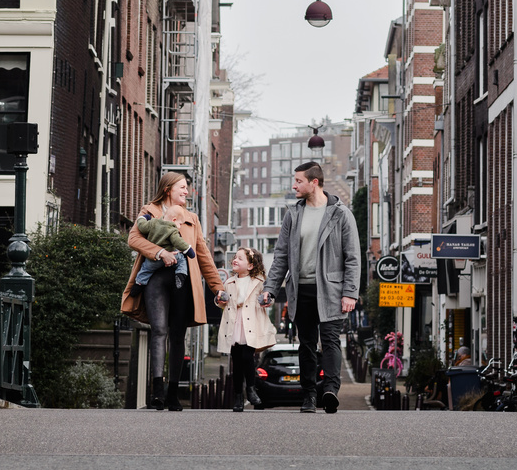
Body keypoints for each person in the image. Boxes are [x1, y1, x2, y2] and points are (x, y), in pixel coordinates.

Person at [121, 171, 224, 411]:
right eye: (182, 188)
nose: (187, 192)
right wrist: (161, 253)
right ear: (168, 189)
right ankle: (157, 391)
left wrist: (217, 287)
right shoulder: (149, 211)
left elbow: (203, 256)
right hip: (156, 278)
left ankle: (172, 394)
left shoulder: (192, 218)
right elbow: (133, 239)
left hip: (184, 282)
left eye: (187, 188)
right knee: (158, 331)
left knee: (178, 335)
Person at [263, 161, 361, 414]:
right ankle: (308, 396)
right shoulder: (293, 214)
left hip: (331, 289)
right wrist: (270, 289)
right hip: (301, 289)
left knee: (330, 341)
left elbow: (353, 256)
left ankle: (329, 390)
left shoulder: (341, 214)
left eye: (298, 181)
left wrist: (350, 292)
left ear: (314, 182)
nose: (293, 185)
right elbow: (281, 255)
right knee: (306, 344)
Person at [215, 247, 276, 412]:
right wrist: (219, 298)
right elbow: (222, 302)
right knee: (237, 361)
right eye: (235, 258)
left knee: (247, 356)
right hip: (235, 323)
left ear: (250, 266)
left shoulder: (259, 281)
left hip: (251, 324)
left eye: (240, 259)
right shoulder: (229, 282)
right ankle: (238, 397)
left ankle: (250, 389)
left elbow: (267, 299)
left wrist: (266, 300)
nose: (235, 260)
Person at [127, 211, 196, 296]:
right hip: (172, 255)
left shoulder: (153, 222)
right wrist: (189, 250)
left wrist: (143, 218)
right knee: (182, 261)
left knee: (145, 270)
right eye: (180, 224)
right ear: (174, 220)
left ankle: (138, 285)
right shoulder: (172, 230)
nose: (180, 226)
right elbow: (179, 242)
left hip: (153, 258)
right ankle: (180, 275)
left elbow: (142, 226)